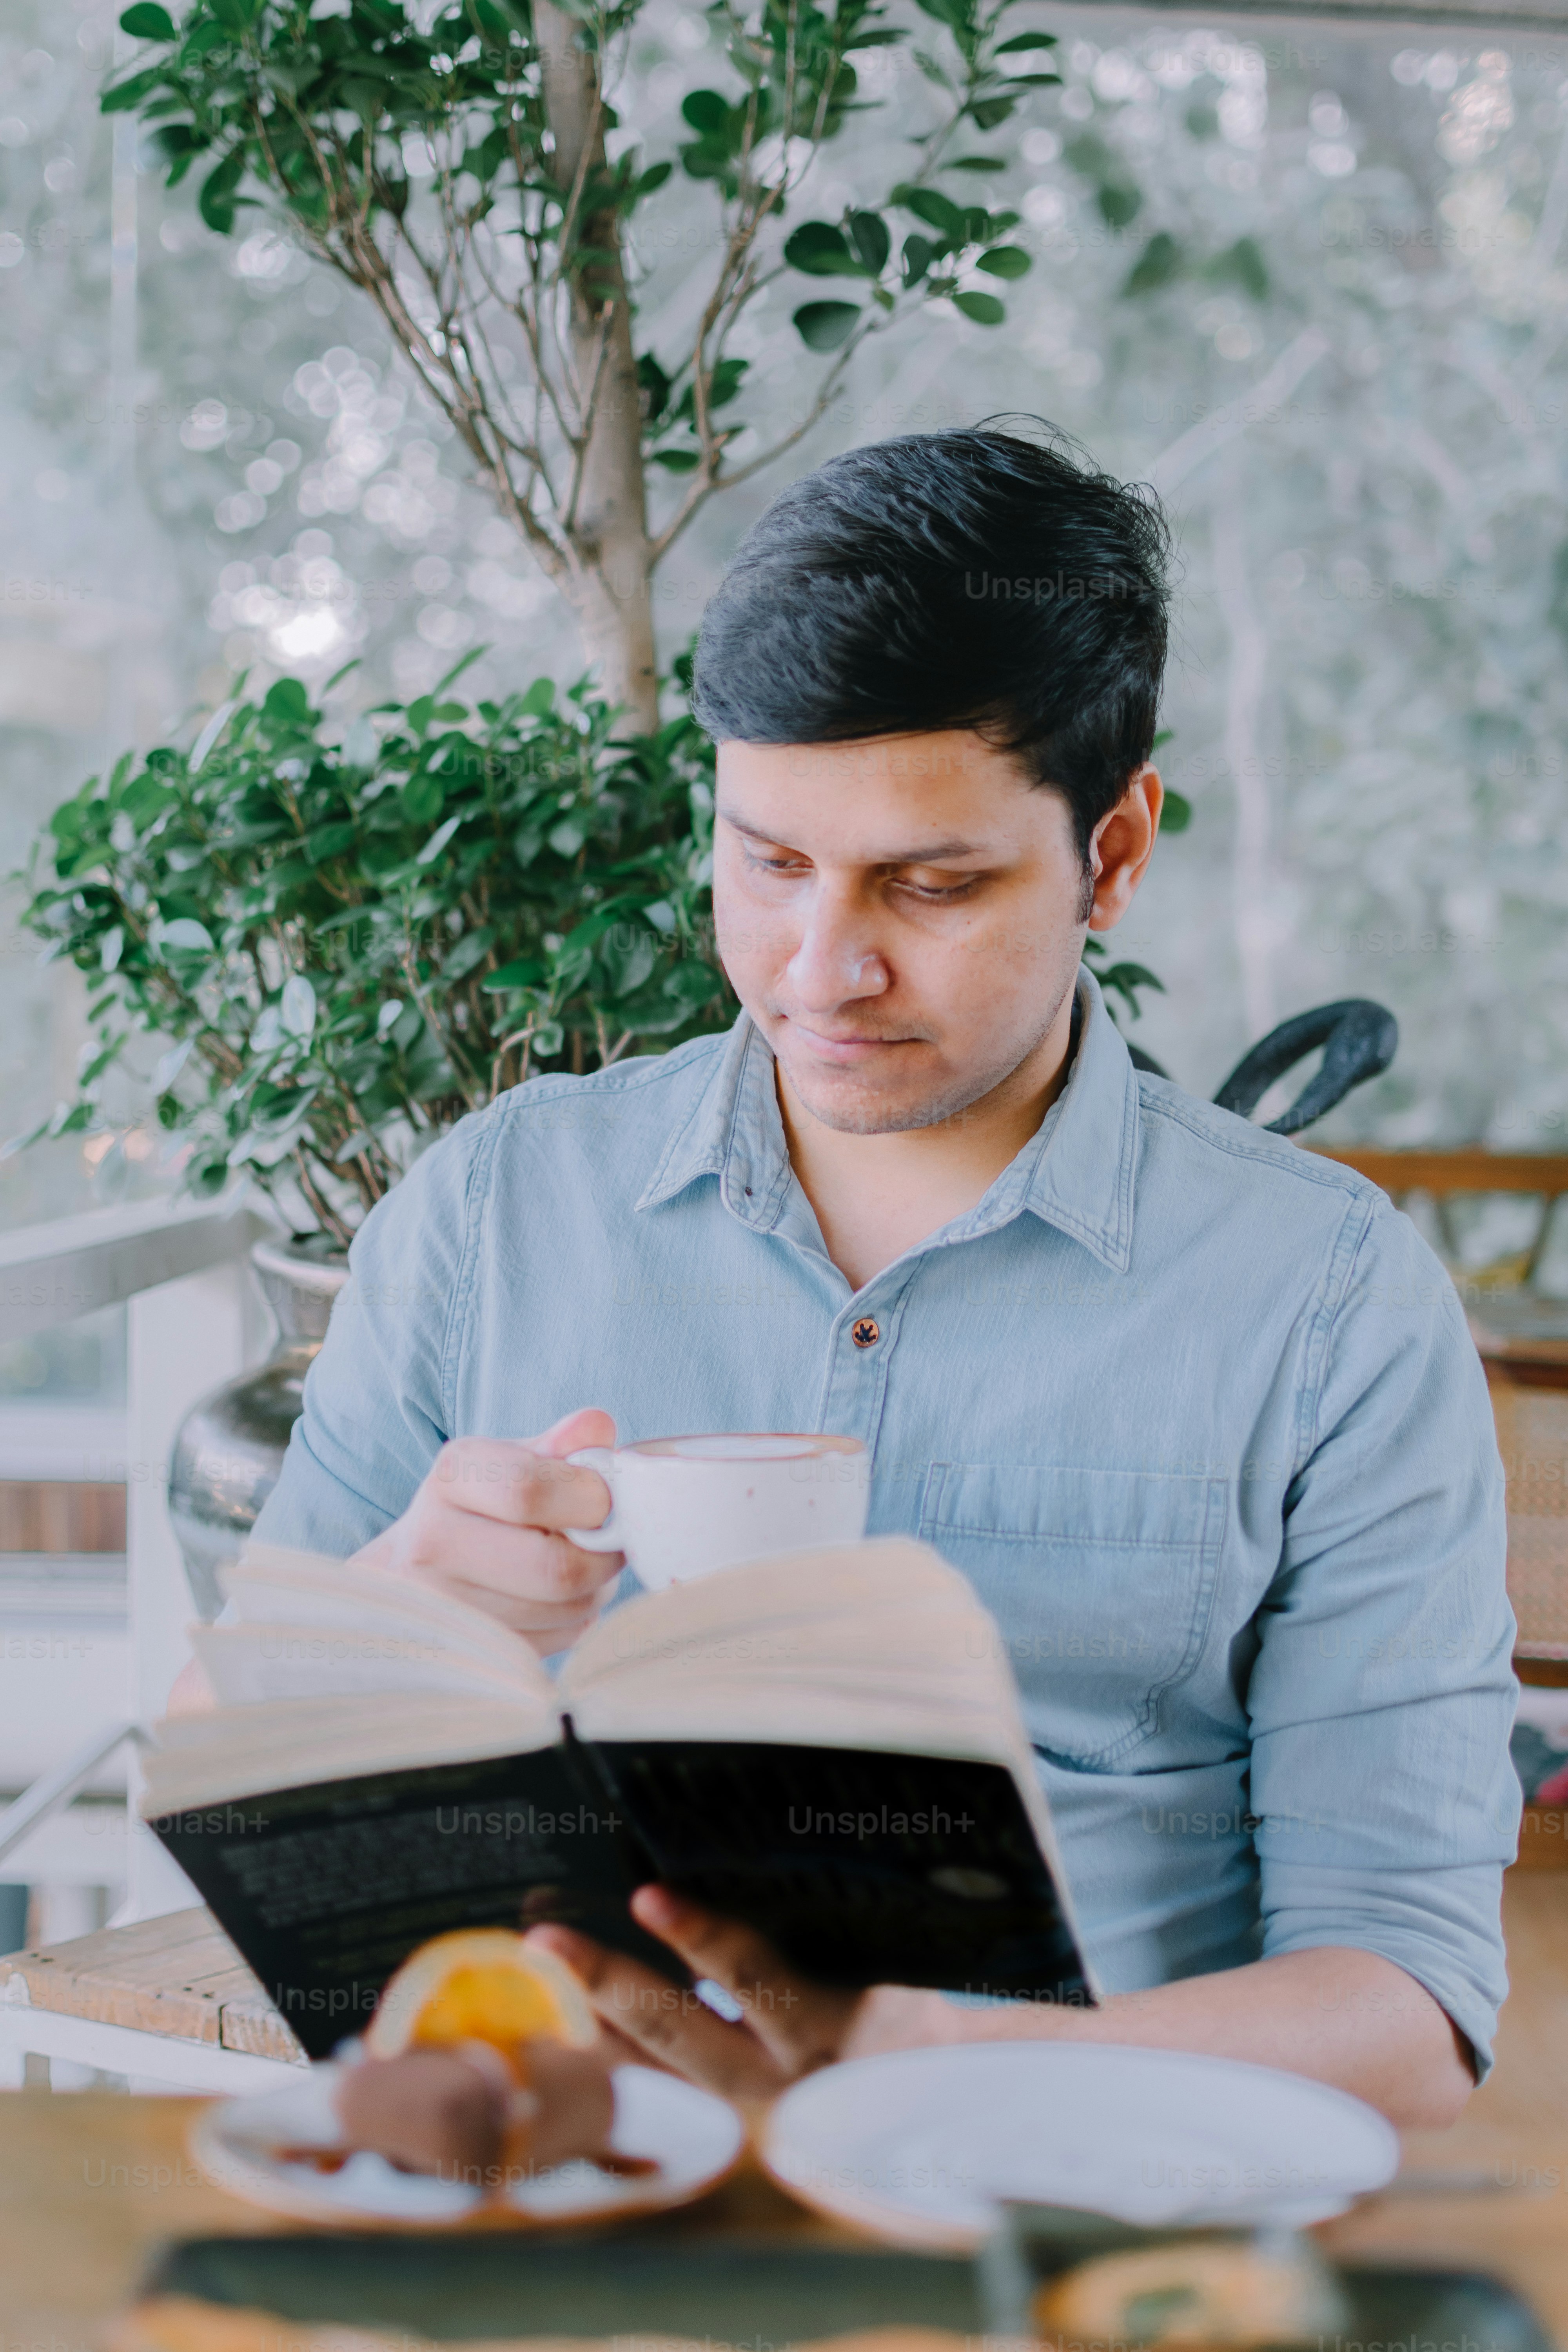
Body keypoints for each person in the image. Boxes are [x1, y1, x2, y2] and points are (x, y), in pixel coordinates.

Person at [173, 426, 1518, 2127]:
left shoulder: (1328, 1305)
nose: (821, 971)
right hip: (573, 2191)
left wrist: (951, 2067)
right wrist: (390, 1616)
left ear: (1113, 854)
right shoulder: (497, 1207)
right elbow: (230, 1785)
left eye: (932, 883)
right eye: (769, 863)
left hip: (1076, 2209)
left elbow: (1406, 2005)